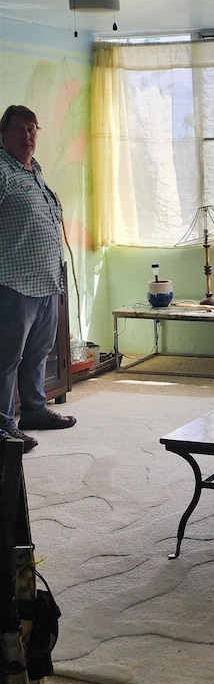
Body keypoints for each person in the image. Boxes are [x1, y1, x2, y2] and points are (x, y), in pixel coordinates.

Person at [0, 104, 76, 453]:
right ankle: (3, 427)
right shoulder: (1, 171)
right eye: (19, 129)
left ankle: (34, 410)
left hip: (47, 282)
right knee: (7, 358)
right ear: (3, 135)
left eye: (32, 129)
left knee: (38, 353)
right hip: (13, 283)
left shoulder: (34, 170)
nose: (27, 136)